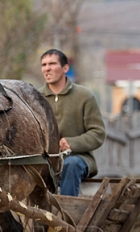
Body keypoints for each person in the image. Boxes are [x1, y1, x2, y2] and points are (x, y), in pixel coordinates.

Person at [39, 49, 106, 196]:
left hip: (78, 158)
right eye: (44, 65)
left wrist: (72, 143)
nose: (47, 68)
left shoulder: (84, 96)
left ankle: (67, 213)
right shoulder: (35, 99)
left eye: (52, 63)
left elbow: (98, 133)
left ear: (65, 68)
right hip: (44, 160)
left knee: (71, 164)